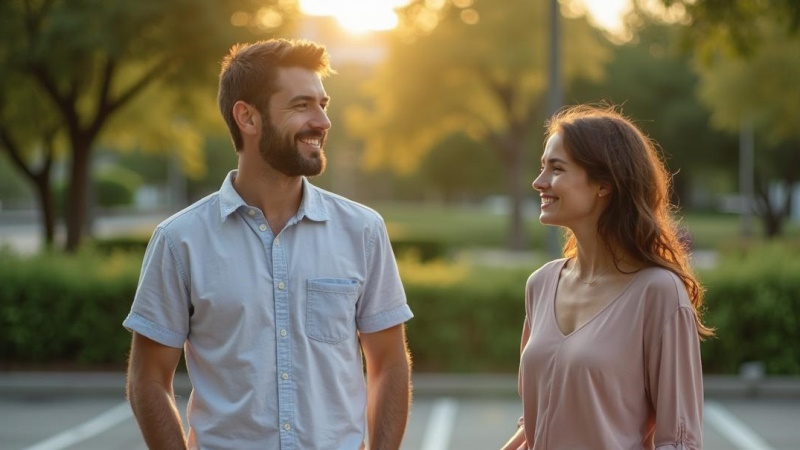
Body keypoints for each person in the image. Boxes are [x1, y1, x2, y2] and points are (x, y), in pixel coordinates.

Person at [123, 38, 414, 450]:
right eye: (301, 105)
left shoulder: (363, 231)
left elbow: (388, 364)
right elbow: (148, 379)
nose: (322, 121)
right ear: (247, 117)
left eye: (323, 104)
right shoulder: (180, 241)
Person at [501, 105, 712, 450]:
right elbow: (534, 428)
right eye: (542, 168)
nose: (539, 182)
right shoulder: (540, 284)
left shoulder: (658, 293)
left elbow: (680, 440)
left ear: (603, 183)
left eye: (556, 169)